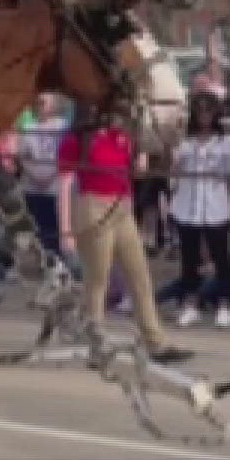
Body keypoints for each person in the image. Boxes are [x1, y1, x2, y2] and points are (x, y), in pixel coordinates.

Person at [57, 106, 191, 365]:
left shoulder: (122, 137)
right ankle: (95, 343)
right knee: (97, 281)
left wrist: (141, 149)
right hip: (92, 206)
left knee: (139, 274)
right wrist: (66, 229)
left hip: (122, 206)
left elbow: (139, 171)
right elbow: (64, 184)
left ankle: (156, 342)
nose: (117, 116)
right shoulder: (77, 140)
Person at [170, 92, 230, 328]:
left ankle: (224, 305)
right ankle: (190, 304)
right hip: (187, 205)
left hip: (216, 205)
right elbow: (174, 174)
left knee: (221, 257)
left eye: (208, 111)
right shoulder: (185, 140)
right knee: (189, 258)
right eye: (200, 111)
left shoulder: (224, 142)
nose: (204, 116)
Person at [16, 92, 69, 257]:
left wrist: (50, 173)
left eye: (43, 102)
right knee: (36, 229)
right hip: (31, 188)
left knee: (54, 230)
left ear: (53, 105)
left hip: (55, 189)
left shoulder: (63, 127)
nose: (39, 106)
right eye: (37, 103)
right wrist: (36, 175)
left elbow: (67, 154)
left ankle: (57, 262)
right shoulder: (29, 128)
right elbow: (22, 157)